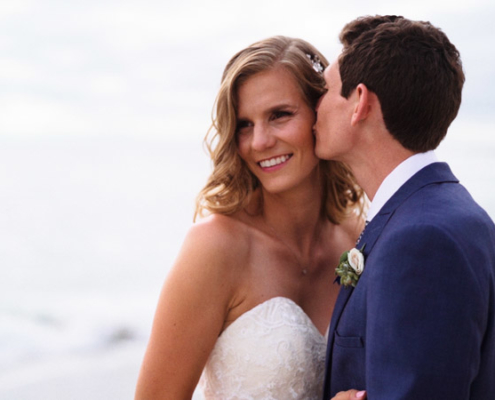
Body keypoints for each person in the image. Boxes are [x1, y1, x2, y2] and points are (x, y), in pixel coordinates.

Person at [134, 36, 366, 400]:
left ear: (320, 115)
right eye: (244, 124)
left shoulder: (357, 241)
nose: (259, 141)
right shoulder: (215, 247)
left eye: (279, 115)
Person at [314, 15, 495, 399]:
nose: (315, 108)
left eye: (325, 91)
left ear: (359, 102)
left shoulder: (421, 239)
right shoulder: (442, 214)